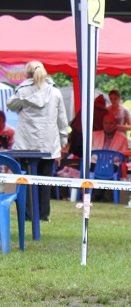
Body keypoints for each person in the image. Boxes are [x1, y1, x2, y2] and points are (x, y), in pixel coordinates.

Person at [7, 60, 68, 222]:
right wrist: (62, 143)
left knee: (24, 180)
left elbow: (10, 105)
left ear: (27, 74)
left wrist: (23, 88)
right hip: (49, 144)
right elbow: (62, 120)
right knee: (45, 181)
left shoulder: (22, 91)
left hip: (25, 144)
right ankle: (43, 214)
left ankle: (27, 214)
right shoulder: (55, 93)